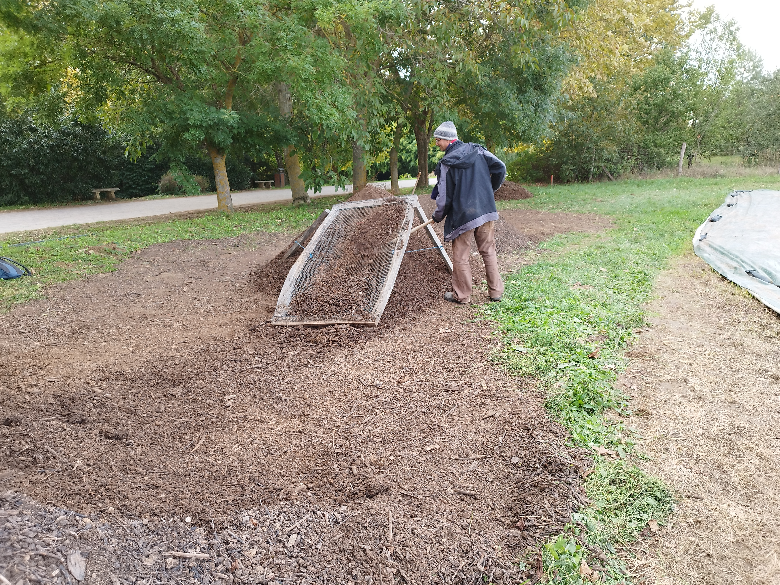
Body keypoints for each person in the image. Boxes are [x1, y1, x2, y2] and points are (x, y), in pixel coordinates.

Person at [430, 121, 506, 304]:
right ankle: (496, 292)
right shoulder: (478, 150)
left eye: (438, 140)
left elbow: (444, 197)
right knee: (488, 250)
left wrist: (438, 215)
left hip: (463, 215)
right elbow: (500, 168)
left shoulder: (447, 163)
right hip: (485, 209)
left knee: (461, 255)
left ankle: (462, 295)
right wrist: (488, 192)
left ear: (449, 140)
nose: (436, 143)